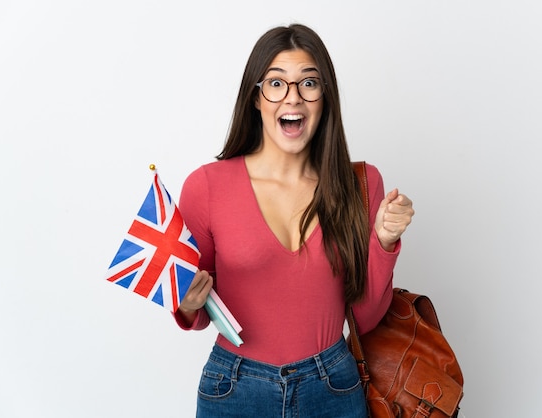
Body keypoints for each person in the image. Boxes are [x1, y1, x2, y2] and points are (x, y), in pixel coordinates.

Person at [175, 23, 414, 417]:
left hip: (333, 386)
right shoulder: (206, 187)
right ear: (256, 97)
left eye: (309, 83)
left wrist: (384, 242)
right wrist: (186, 304)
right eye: (276, 83)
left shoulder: (362, 184)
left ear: (325, 97)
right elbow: (199, 313)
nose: (293, 97)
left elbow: (367, 317)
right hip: (235, 389)